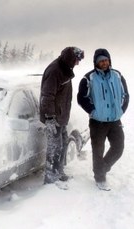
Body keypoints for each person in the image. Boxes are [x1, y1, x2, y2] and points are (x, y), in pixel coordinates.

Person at [77, 48, 129, 190]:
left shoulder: (117, 76)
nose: (104, 63)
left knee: (118, 148)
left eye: (106, 60)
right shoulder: (89, 78)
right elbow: (81, 98)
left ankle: (102, 168)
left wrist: (121, 110)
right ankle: (100, 178)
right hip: (97, 122)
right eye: (101, 61)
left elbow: (126, 95)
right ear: (96, 63)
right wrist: (93, 111)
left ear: (109, 60)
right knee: (98, 151)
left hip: (115, 120)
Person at [40, 46, 84, 184]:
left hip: (61, 117)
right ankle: (50, 177)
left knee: (63, 144)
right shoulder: (55, 71)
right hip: (53, 118)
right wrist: (50, 118)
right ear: (71, 59)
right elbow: (47, 96)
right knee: (54, 147)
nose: (78, 63)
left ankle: (58, 172)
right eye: (77, 60)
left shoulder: (65, 69)